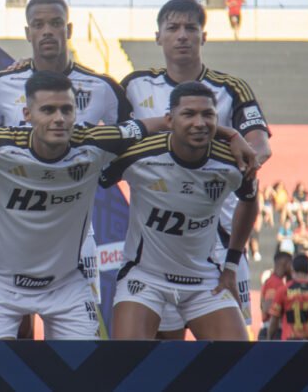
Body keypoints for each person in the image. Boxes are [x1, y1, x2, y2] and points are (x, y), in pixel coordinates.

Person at [0, 0, 132, 335]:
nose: (47, 31)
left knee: (77, 351)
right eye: (39, 24)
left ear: (69, 29)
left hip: (73, 241)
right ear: (27, 32)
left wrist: (100, 175)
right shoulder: (1, 85)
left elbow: (132, 143)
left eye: (56, 23)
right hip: (13, 233)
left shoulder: (102, 87)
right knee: (16, 342)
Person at [121, 0, 271, 337]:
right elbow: (115, 139)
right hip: (160, 240)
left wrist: (225, 160)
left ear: (204, 36)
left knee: (232, 354)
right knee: (165, 350)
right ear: (158, 36)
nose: (182, 35)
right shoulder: (134, 85)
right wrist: (225, 133)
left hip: (220, 237)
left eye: (191, 28)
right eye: (173, 28)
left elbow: (259, 148)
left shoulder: (230, 87)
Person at [103, 82, 258, 341]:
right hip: (145, 278)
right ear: (169, 119)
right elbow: (95, 177)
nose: (199, 123)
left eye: (208, 115)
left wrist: (231, 264)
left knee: (239, 358)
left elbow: (250, 201)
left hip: (204, 280)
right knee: (127, 359)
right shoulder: (139, 155)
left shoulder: (232, 162)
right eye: (188, 114)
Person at [267, 254, 308, 340]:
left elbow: (274, 320)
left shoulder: (284, 291)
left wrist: (269, 338)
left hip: (291, 342)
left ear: (292, 269)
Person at [259, 251, 292, 340]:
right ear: (285, 263)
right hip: (273, 331)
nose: (292, 268)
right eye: (291, 264)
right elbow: (268, 307)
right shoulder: (274, 282)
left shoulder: (275, 281)